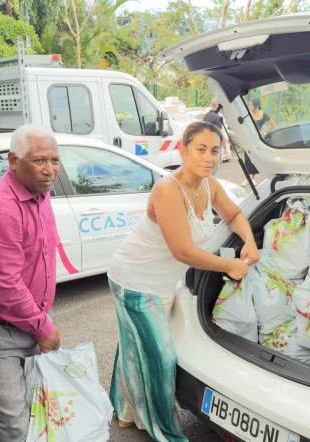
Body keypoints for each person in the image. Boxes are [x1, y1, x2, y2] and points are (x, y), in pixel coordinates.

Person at [107, 121, 260, 441]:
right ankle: (168, 433)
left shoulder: (210, 185)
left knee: (135, 347)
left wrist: (249, 240)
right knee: (161, 359)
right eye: (201, 149)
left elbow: (234, 215)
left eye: (215, 150)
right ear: (183, 150)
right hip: (135, 282)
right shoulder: (167, 189)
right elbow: (183, 251)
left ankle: (123, 412)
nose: (209, 157)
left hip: (162, 283)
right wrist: (230, 264)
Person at [0, 124, 61, 442]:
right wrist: (43, 327)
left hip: (32, 322)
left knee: (40, 416)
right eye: (39, 161)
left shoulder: (40, 194)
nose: (49, 170)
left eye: (54, 160)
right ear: (13, 160)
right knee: (14, 429)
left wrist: (42, 319)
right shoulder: (0, 210)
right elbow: (4, 285)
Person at [242, 97, 277, 186]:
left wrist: (264, 132)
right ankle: (246, 178)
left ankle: (253, 178)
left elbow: (273, 125)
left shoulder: (263, 114)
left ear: (257, 105)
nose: (250, 106)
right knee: (247, 158)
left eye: (251, 104)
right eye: (249, 104)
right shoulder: (247, 114)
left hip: (257, 139)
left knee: (254, 158)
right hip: (248, 138)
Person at [202, 98, 231, 162]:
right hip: (214, 145)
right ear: (217, 106)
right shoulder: (217, 118)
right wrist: (225, 148)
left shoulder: (205, 116)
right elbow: (220, 134)